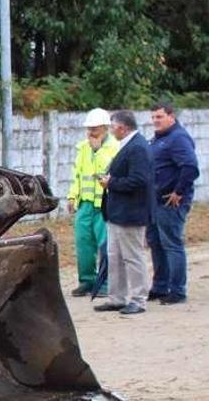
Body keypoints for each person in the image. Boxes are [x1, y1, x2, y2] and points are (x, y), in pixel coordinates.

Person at [94, 110, 154, 315]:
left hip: (131, 212)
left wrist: (112, 182)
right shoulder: (129, 145)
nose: (111, 131)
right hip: (118, 212)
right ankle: (117, 297)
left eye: (113, 127)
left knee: (132, 257)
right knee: (115, 257)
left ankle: (138, 299)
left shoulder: (137, 147)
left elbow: (139, 180)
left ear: (122, 127)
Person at [147, 102, 199, 305]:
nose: (155, 121)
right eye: (153, 117)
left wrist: (178, 192)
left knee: (171, 244)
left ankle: (177, 290)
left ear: (172, 116)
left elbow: (190, 167)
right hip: (154, 201)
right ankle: (160, 286)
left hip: (170, 202)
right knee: (156, 244)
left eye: (159, 117)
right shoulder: (159, 139)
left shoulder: (178, 138)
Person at [67, 108, 119, 297]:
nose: (90, 132)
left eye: (95, 129)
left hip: (104, 205)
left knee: (106, 245)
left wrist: (97, 151)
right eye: (89, 129)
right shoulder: (82, 148)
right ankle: (86, 281)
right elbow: (77, 176)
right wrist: (72, 197)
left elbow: (108, 171)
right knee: (83, 244)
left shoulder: (115, 148)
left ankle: (105, 283)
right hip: (85, 204)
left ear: (105, 128)